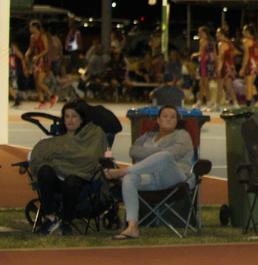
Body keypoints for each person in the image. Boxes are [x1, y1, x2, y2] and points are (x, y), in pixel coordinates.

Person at [104, 104, 194, 240]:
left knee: (165, 157)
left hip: (175, 178)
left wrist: (149, 154)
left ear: (176, 121)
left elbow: (173, 154)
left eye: (173, 117)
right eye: (165, 116)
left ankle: (123, 171)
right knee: (130, 179)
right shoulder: (147, 136)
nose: (169, 119)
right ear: (158, 120)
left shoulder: (182, 135)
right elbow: (133, 151)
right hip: (151, 178)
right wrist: (158, 152)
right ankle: (132, 226)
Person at [28, 100, 108, 235]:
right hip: (58, 180)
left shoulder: (94, 134)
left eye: (74, 116)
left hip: (81, 179)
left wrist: (58, 159)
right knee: (45, 170)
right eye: (67, 116)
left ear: (82, 119)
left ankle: (66, 220)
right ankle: (50, 217)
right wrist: (60, 161)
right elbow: (38, 155)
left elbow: (89, 157)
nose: (70, 120)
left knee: (71, 180)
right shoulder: (58, 140)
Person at [27, 21, 55, 108]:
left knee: (40, 82)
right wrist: (27, 53)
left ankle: (52, 96)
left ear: (35, 28)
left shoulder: (43, 36)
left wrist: (38, 56)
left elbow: (46, 49)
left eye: (31, 27)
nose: (30, 29)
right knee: (36, 82)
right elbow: (31, 48)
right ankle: (42, 101)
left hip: (44, 60)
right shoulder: (32, 37)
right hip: (37, 61)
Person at [215, 26, 238, 110]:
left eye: (217, 33)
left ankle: (217, 105)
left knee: (220, 86)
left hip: (224, 67)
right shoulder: (229, 43)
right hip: (230, 66)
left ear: (222, 34)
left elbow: (220, 58)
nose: (216, 35)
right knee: (229, 86)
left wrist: (218, 69)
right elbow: (235, 53)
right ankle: (235, 103)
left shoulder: (221, 44)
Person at [240, 24, 258, 105]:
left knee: (248, 85)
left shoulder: (246, 41)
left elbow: (246, 56)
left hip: (251, 64)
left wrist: (242, 68)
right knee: (250, 83)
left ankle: (248, 105)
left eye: (244, 30)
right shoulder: (256, 42)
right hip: (256, 64)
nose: (242, 32)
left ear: (248, 32)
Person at [193, 26, 214, 109]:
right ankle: (200, 101)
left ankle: (208, 101)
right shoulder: (211, 41)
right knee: (202, 83)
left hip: (204, 64)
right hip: (209, 64)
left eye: (200, 32)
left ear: (203, 33)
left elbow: (201, 54)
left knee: (204, 83)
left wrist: (195, 54)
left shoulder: (202, 41)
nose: (198, 34)